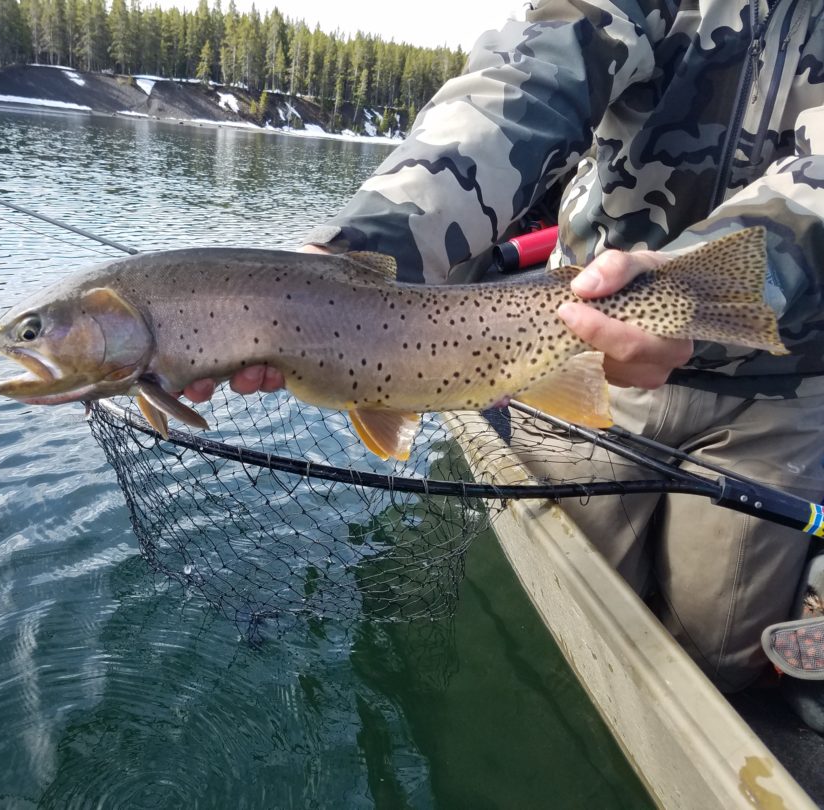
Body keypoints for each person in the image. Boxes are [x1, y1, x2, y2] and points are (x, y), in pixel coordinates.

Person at [186, 0, 824, 725]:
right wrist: (355, 249)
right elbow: (523, 85)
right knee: (572, 618)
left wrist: (707, 285)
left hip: (782, 374)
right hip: (567, 329)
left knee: (721, 653)